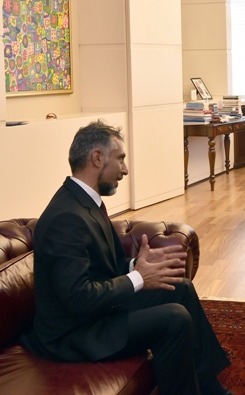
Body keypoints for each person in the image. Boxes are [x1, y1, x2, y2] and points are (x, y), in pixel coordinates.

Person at [21, 120, 233, 395]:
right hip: (74, 334)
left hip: (94, 313)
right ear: (97, 158)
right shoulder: (66, 218)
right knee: (175, 318)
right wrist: (139, 278)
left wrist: (136, 266)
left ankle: (210, 388)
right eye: (120, 159)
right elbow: (78, 298)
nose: (125, 169)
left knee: (181, 288)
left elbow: (102, 269)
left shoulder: (85, 202)